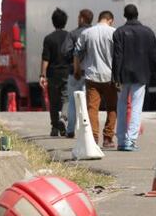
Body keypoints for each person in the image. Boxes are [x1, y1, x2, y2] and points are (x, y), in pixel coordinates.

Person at [112, 4, 156, 152]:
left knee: (121, 106)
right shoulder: (148, 32)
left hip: (123, 74)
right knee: (136, 107)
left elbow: (117, 56)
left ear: (124, 15)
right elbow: (154, 56)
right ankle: (131, 140)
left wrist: (115, 76)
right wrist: (155, 74)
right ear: (137, 14)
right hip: (141, 75)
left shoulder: (119, 32)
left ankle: (120, 140)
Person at [74, 10, 118, 148]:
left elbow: (77, 52)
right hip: (110, 76)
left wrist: (77, 69)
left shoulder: (87, 33)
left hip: (91, 76)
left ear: (99, 19)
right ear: (110, 20)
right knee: (112, 107)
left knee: (92, 108)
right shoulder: (114, 33)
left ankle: (93, 138)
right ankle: (108, 138)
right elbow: (119, 55)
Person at [61, 9, 94, 138]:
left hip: (74, 73)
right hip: (91, 73)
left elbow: (65, 51)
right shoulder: (94, 33)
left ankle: (70, 130)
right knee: (89, 103)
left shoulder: (73, 34)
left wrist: (74, 61)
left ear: (81, 19)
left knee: (73, 103)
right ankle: (87, 130)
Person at [40, 8, 70, 137]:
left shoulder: (48, 39)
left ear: (53, 22)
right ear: (65, 22)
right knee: (66, 99)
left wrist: (42, 75)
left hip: (53, 74)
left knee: (53, 101)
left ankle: (54, 128)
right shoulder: (69, 36)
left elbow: (45, 59)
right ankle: (63, 118)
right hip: (67, 72)